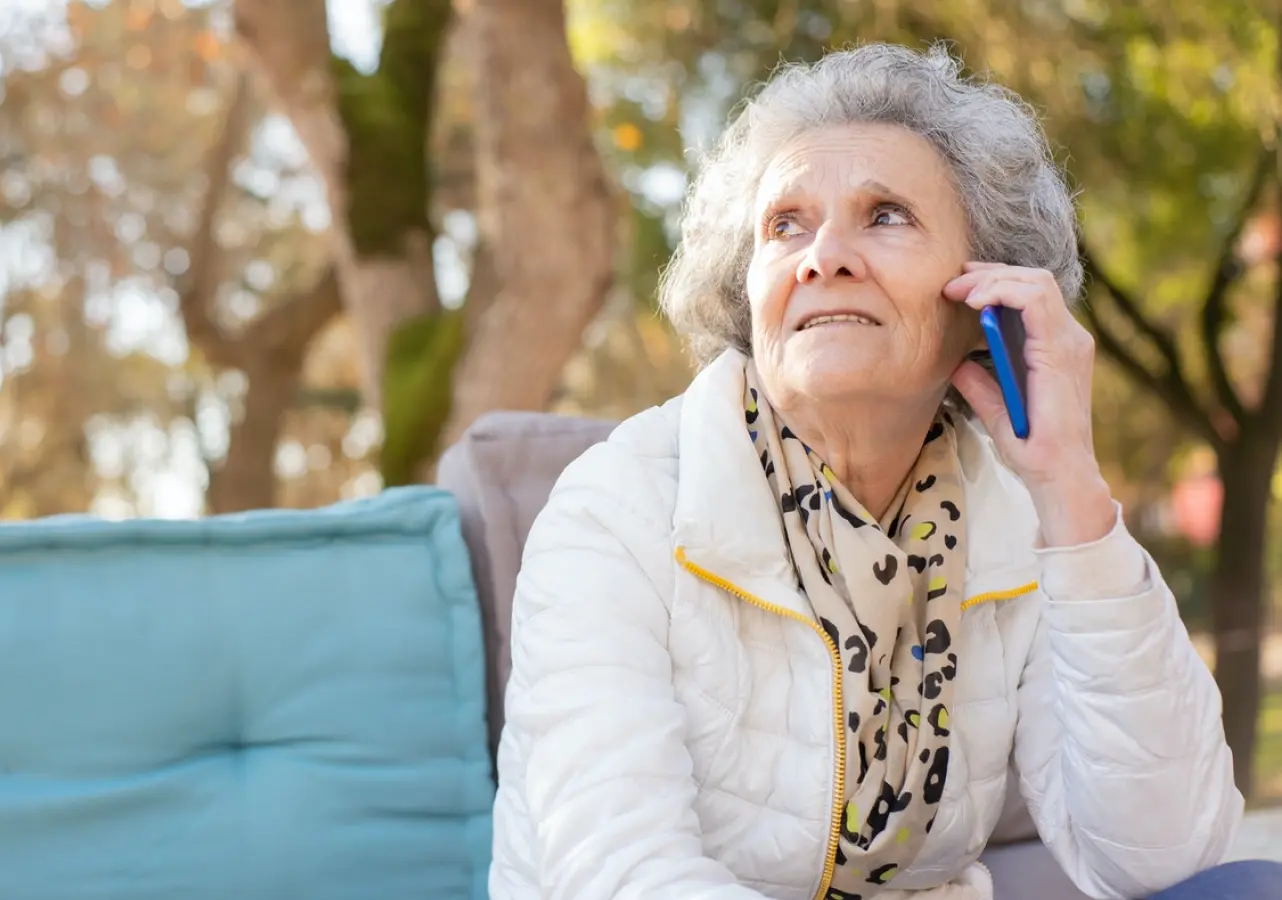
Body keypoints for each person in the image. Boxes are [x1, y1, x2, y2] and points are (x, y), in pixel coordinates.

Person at [488, 43, 1281, 900]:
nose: (822, 256)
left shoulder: (1015, 516)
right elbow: (619, 873)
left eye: (886, 215)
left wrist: (1070, 489)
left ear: (984, 296)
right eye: (784, 225)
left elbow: (1164, 854)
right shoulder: (614, 512)